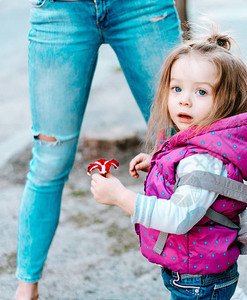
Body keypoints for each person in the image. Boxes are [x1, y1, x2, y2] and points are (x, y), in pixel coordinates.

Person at [90, 25, 247, 299]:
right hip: (198, 271)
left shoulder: (203, 159)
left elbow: (178, 217)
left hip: (199, 281)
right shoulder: (202, 146)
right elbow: (196, 179)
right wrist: (158, 164)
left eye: (201, 93)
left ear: (227, 101)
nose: (184, 101)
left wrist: (120, 196)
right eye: (177, 88)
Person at [16, 0, 181, 299]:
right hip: (60, 11)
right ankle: (26, 288)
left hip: (141, 7)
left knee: (182, 144)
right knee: (50, 161)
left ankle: (210, 276)